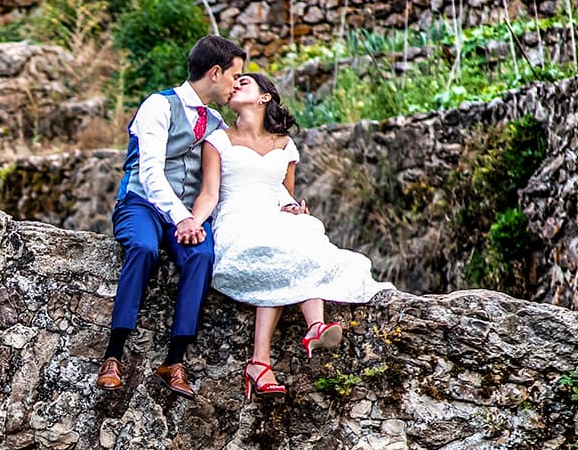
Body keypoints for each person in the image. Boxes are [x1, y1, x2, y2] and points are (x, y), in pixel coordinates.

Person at [204, 72, 393, 398]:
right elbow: (209, 193)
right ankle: (262, 360)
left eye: (244, 82)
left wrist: (293, 208)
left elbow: (284, 194)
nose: (235, 85)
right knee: (271, 248)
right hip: (236, 218)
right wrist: (188, 224)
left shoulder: (285, 145)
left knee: (302, 231)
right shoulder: (218, 140)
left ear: (264, 97)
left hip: (272, 216)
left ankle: (310, 329)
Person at [95, 34, 245, 398]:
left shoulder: (215, 122)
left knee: (201, 256)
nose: (237, 83)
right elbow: (149, 173)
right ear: (214, 72)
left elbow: (236, 173)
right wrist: (183, 218)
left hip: (187, 216)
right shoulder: (158, 106)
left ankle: (174, 361)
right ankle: (113, 353)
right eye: (234, 75)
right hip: (141, 204)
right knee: (144, 249)